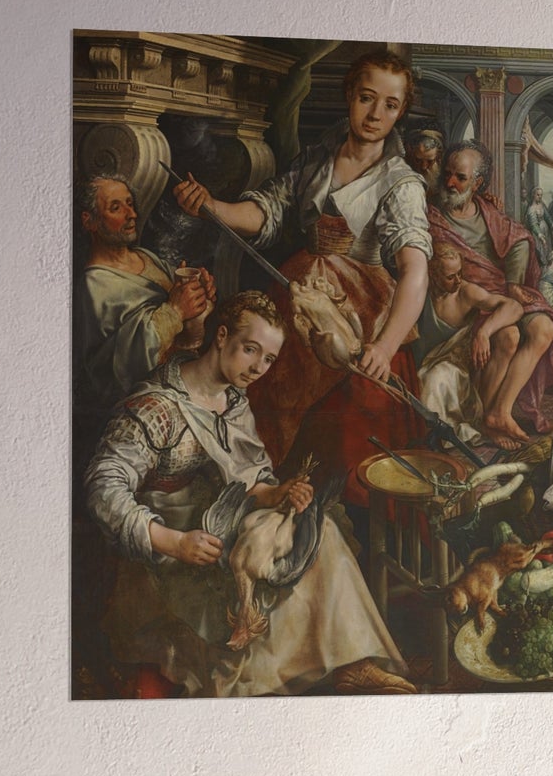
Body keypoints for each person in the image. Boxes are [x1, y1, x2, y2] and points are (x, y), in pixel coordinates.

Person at [85, 291, 413, 697]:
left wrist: (279, 494)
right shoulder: (157, 407)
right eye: (250, 350)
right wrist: (174, 542)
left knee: (318, 531)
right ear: (221, 336)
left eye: (269, 359)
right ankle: (265, 686)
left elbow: (251, 481)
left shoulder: (234, 402)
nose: (258, 367)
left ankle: (354, 662)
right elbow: (103, 489)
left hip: (221, 522)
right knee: (251, 576)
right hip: (169, 548)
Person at [172, 49, 431, 505]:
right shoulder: (318, 159)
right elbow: (268, 209)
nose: (375, 114)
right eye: (367, 98)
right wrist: (212, 207)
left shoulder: (401, 182)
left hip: (361, 319)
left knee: (343, 434)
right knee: (265, 399)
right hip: (298, 299)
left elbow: (415, 272)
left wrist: (385, 348)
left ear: (401, 111)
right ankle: (261, 497)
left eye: (390, 105)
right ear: (349, 95)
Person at [422, 140, 553, 446]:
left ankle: (500, 411)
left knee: (543, 327)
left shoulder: (487, 210)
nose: (450, 182)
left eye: (460, 177)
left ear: (478, 183)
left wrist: (513, 282)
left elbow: (520, 238)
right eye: (448, 174)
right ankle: (488, 416)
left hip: (500, 293)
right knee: (508, 336)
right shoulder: (432, 218)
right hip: (467, 301)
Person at [76, 174, 215, 412]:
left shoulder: (145, 256)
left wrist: (201, 291)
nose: (131, 214)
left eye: (130, 203)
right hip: (147, 405)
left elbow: (183, 307)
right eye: (115, 207)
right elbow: (115, 370)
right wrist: (176, 310)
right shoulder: (93, 285)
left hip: (189, 382)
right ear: (89, 221)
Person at [417, 245, 526, 446]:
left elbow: (514, 307)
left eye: (460, 273)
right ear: (433, 274)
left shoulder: (465, 293)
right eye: (451, 277)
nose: (458, 280)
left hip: (456, 367)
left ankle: (447, 436)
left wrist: (484, 332)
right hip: (422, 361)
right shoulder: (420, 292)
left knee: (436, 378)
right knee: (428, 379)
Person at [523, 185, 553, 265]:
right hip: (537, 233)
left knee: (547, 249)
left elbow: (547, 216)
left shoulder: (542, 205)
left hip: (545, 231)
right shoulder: (531, 209)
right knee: (540, 250)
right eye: (538, 195)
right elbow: (533, 224)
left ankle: (547, 266)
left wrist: (552, 224)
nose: (540, 197)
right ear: (533, 195)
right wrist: (539, 234)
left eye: (541, 195)